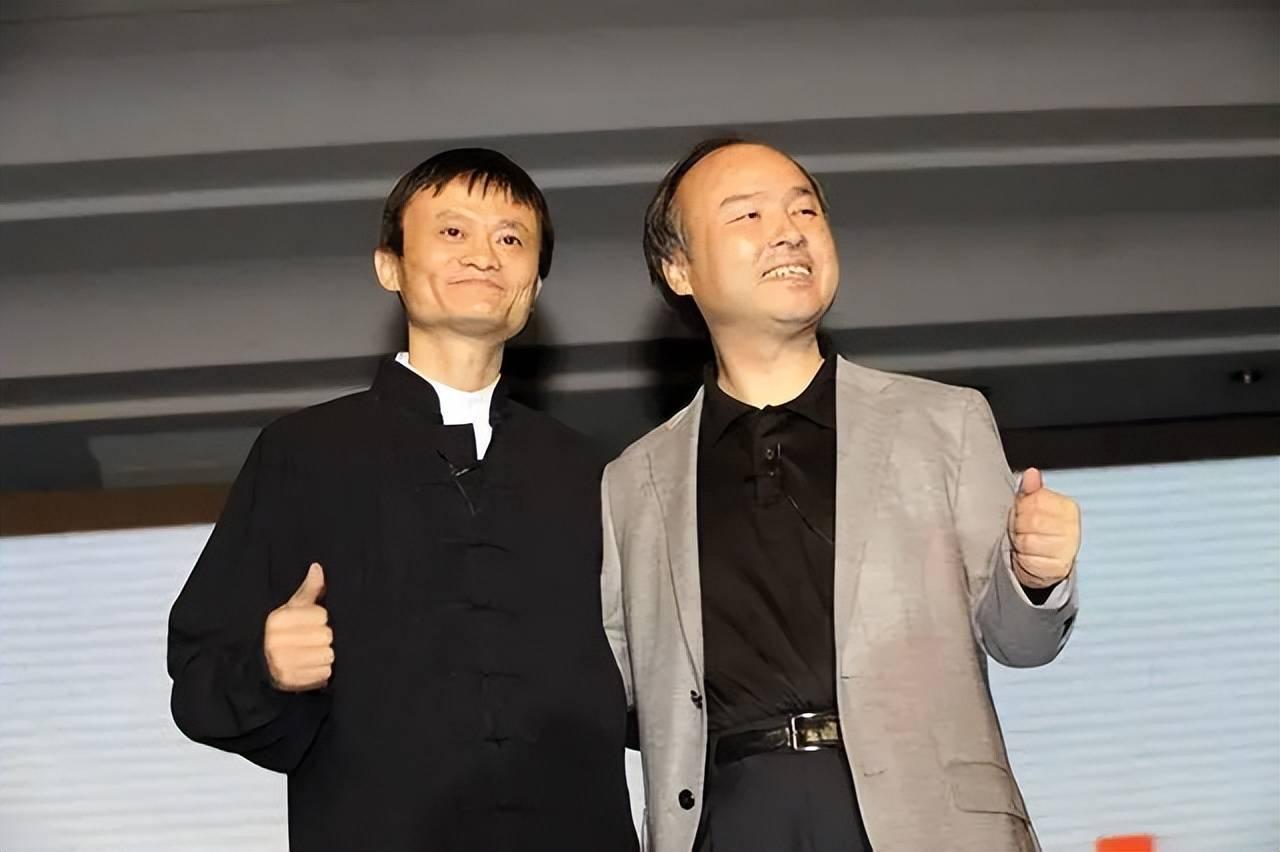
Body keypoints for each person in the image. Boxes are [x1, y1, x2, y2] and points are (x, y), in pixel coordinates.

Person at [601, 138, 1081, 852]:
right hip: (729, 821)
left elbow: (1021, 640)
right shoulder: (632, 482)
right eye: (748, 215)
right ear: (679, 269)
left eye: (804, 210)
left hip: (925, 821)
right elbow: (615, 692)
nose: (788, 231)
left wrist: (1035, 577)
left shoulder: (943, 421)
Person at [168, 148, 637, 852]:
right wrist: (267, 668)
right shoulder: (304, 453)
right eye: (452, 231)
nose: (483, 255)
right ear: (389, 266)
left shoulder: (595, 473)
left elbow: (663, 690)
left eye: (511, 239)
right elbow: (200, 680)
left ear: (535, 284)